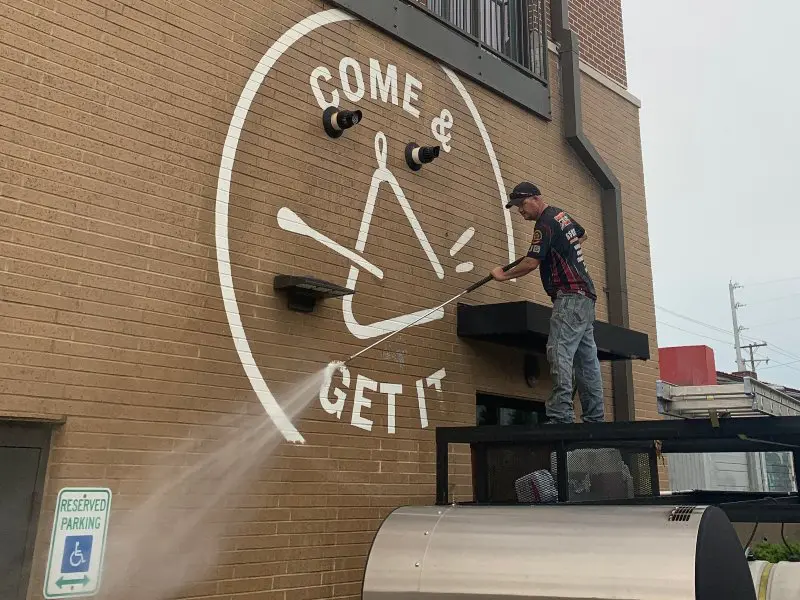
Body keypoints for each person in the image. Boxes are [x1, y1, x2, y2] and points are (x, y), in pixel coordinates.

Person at [490, 182, 604, 424]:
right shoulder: (561, 216)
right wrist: (556, 247)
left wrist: (502, 275)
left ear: (535, 198)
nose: (520, 211)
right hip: (586, 296)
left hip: (570, 296)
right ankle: (595, 418)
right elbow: (581, 235)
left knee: (559, 351)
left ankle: (561, 415)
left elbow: (531, 263)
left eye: (521, 205)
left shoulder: (545, 223)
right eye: (516, 207)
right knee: (586, 359)